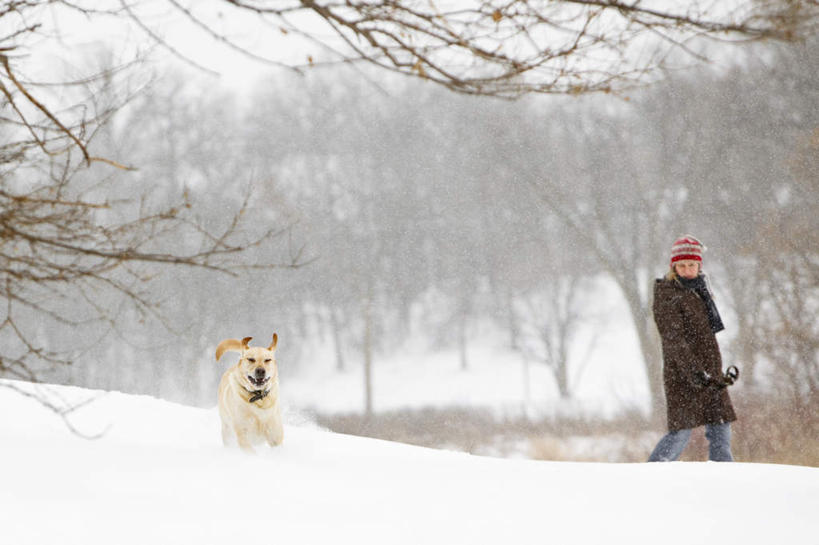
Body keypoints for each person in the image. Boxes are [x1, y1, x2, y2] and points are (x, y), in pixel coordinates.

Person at [648, 235, 737, 462]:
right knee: (680, 432)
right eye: (682, 265)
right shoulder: (667, 294)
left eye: (692, 265)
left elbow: (706, 336)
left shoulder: (700, 290)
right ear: (674, 267)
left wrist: (710, 373)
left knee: (721, 427)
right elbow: (673, 340)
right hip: (683, 374)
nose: (687, 270)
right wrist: (695, 373)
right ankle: (650, 475)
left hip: (711, 374)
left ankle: (724, 477)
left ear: (699, 265)